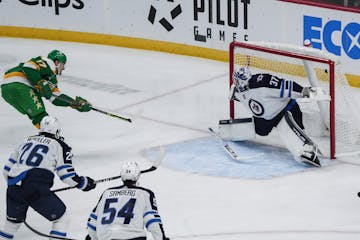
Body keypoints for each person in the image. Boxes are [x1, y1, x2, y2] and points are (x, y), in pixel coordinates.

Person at [0, 116, 96, 240]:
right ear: (57, 131)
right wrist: (84, 183)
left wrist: (20, 187)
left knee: (11, 225)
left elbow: (7, 170)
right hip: (35, 187)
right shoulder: (59, 145)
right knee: (61, 219)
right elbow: (67, 176)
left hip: (13, 187)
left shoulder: (26, 141)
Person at [229, 66, 328, 167]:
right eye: (238, 81)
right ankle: (230, 130)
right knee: (261, 130)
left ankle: (305, 149)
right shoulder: (236, 92)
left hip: (285, 109)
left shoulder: (263, 82)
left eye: (241, 81)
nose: (240, 84)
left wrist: (303, 91)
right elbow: (239, 95)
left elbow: (285, 86)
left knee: (289, 128)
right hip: (267, 117)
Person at [1, 50, 92, 129]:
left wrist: (74, 103)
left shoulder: (51, 78)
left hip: (6, 90)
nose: (63, 68)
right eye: (63, 64)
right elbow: (28, 66)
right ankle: (49, 138)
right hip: (20, 86)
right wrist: (40, 82)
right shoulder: (47, 62)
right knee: (40, 114)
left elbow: (56, 97)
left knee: (36, 115)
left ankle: (43, 138)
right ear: (56, 62)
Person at [86, 161, 170, 240]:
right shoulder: (145, 193)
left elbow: (92, 224)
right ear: (137, 175)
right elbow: (153, 222)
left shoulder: (106, 193)